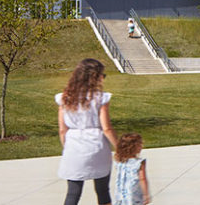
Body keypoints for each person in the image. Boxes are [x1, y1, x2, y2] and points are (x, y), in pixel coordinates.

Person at [56, 58, 117, 205]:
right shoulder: (100, 98)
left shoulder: (65, 98)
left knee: (73, 192)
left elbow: (62, 129)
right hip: (96, 144)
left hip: (74, 145)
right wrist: (119, 147)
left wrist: (67, 146)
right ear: (94, 77)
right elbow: (107, 128)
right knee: (103, 191)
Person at [112, 133, 150, 205]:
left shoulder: (119, 161)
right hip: (133, 193)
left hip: (120, 192)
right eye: (140, 144)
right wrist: (146, 194)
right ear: (133, 147)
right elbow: (142, 179)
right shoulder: (139, 163)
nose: (142, 146)